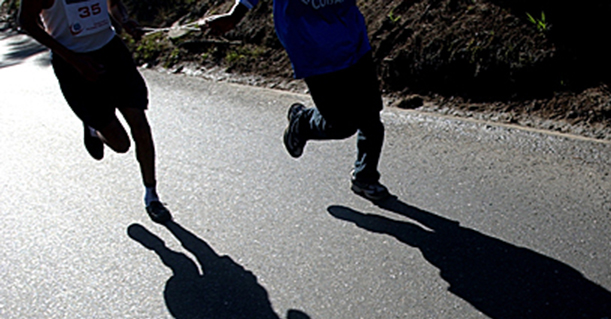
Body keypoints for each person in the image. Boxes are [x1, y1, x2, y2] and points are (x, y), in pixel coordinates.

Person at [202, 0, 390, 201]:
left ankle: (365, 176)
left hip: (353, 39)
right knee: (342, 126)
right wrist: (234, 16)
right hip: (313, 47)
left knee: (370, 117)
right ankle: (303, 122)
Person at [18, 0, 172, 223]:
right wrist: (74, 60)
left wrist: (125, 20)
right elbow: (25, 21)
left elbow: (114, 4)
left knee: (140, 123)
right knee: (121, 144)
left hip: (112, 53)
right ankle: (93, 129)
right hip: (72, 63)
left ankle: (152, 196)